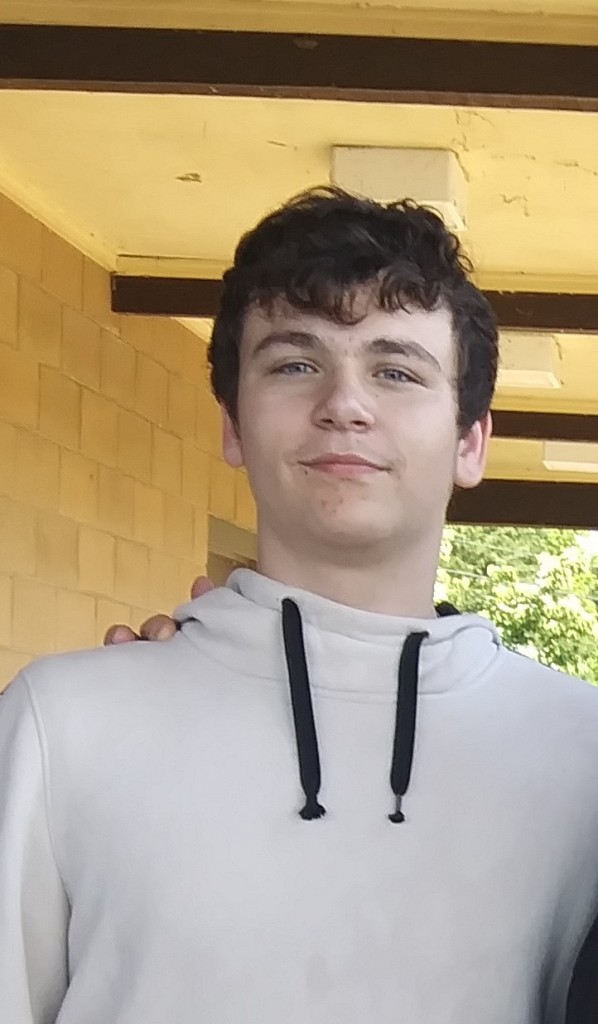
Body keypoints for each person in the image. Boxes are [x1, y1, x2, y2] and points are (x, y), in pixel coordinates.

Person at [1, 188, 597, 1024]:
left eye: (396, 371)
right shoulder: (63, 724)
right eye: (294, 364)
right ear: (233, 426)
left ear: (471, 441)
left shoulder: (580, 753)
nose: (345, 404)